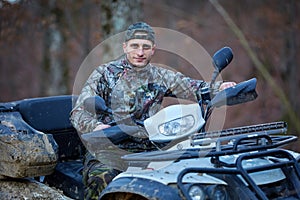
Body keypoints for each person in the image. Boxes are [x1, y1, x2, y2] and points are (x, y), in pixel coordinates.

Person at [70, 22, 236, 200]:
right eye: (134, 46)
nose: (140, 52)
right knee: (103, 178)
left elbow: (195, 88)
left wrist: (220, 88)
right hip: (109, 149)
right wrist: (96, 126)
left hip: (152, 148)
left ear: (153, 49)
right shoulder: (104, 74)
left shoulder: (160, 76)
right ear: (125, 47)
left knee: (190, 176)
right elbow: (78, 112)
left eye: (145, 47)